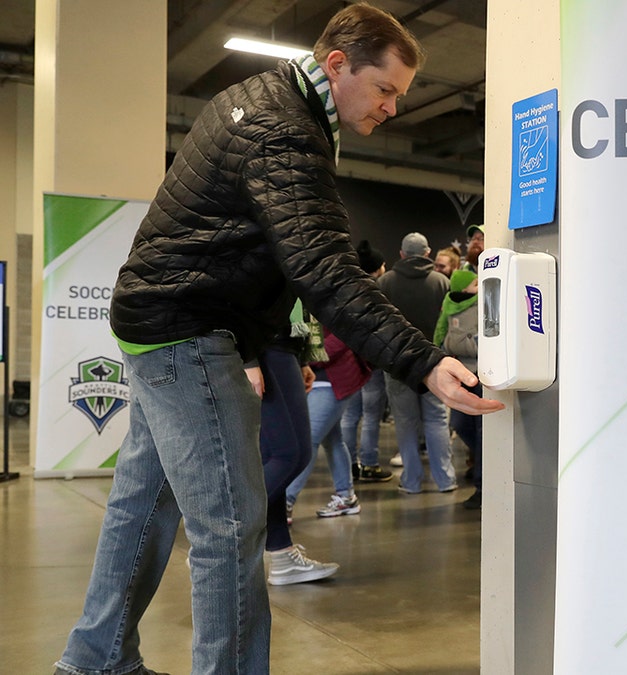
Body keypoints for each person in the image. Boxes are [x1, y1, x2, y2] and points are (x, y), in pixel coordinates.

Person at [54, 6, 502, 675]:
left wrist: (260, 345)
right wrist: (423, 359)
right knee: (230, 528)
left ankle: (94, 658)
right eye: (385, 90)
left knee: (142, 505)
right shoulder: (285, 133)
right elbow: (323, 269)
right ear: (337, 65)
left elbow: (253, 250)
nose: (393, 109)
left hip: (158, 323)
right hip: (187, 331)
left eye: (401, 96)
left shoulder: (260, 102)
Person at [252, 302, 340, 583]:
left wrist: (302, 359)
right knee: (290, 455)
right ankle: (218, 534)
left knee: (275, 457)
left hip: (282, 345)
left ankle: (281, 554)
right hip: (266, 346)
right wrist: (248, 359)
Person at [378, 232, 457, 493]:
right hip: (433, 361)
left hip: (397, 363)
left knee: (405, 421)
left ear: (401, 254)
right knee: (436, 420)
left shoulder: (385, 282)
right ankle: (446, 480)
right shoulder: (441, 282)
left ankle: (411, 482)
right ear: (427, 253)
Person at [286, 325, 373, 517]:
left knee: (308, 439)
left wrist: (305, 358)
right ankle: (346, 496)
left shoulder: (336, 300)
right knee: (333, 440)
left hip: (332, 378)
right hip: (316, 378)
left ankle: (285, 501)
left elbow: (345, 333)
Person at [342, 239, 392, 482]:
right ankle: (370, 464)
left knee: (349, 417)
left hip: (349, 362)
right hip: (372, 363)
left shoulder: (346, 289)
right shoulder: (377, 293)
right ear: (377, 267)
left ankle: (349, 465)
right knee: (371, 417)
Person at [435, 269, 483, 509]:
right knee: (460, 424)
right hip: (460, 371)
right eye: (474, 282)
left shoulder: (484, 301)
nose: (479, 284)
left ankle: (482, 485)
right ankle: (482, 462)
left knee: (482, 430)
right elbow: (441, 328)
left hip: (480, 373)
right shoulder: (449, 304)